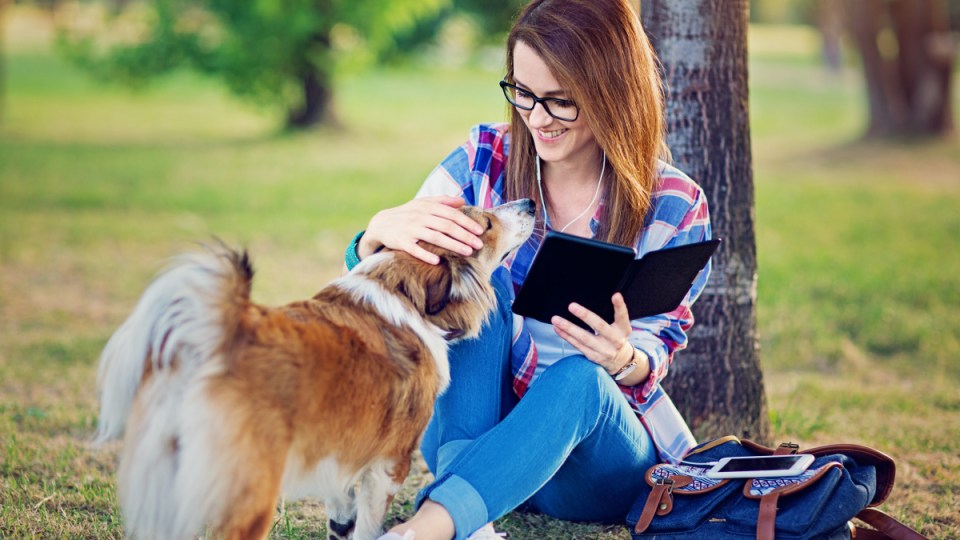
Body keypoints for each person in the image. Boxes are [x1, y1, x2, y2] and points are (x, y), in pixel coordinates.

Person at [343, 1, 713, 538]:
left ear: (612, 92)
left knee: (580, 379)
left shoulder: (673, 203)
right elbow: (392, 293)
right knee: (478, 280)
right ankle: (471, 515)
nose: (536, 118)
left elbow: (657, 347)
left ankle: (430, 527)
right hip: (471, 433)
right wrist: (372, 237)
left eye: (560, 101)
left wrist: (624, 357)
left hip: (589, 462)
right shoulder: (484, 157)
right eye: (523, 92)